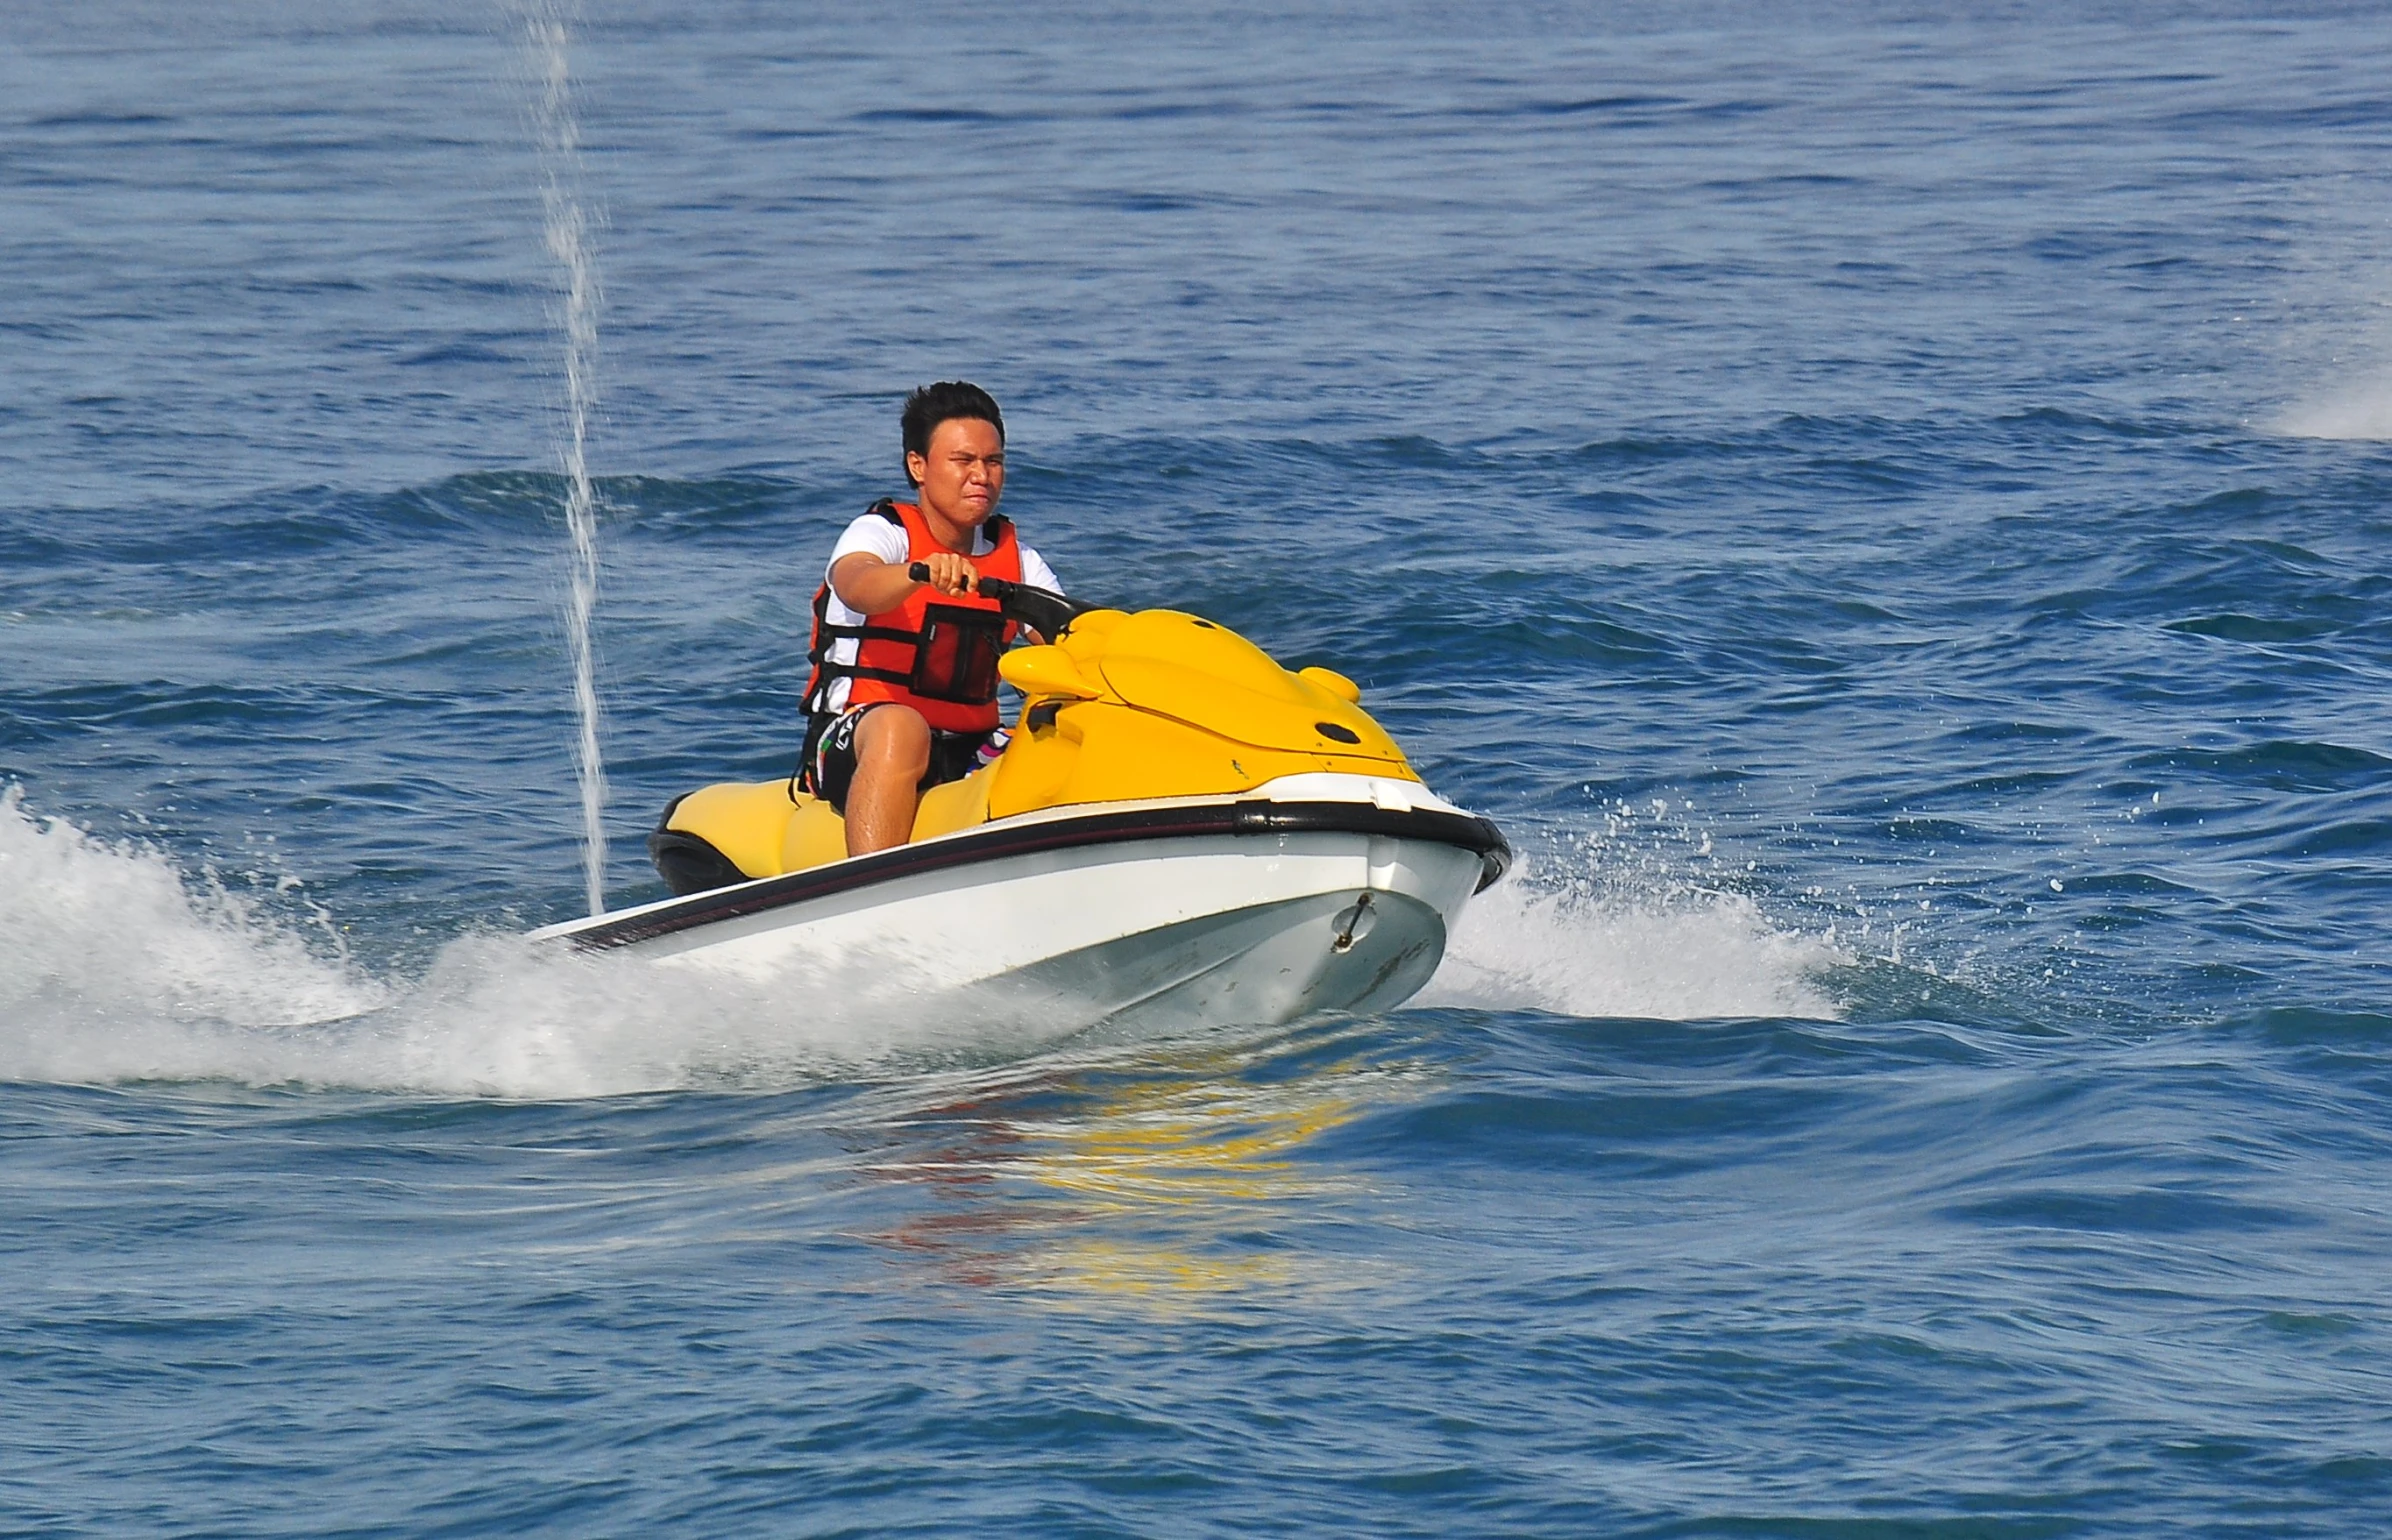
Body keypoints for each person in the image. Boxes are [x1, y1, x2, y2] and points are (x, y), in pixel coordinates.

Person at [798, 382, 1064, 856]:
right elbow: (855, 584)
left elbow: (1065, 640)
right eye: (963, 462)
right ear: (918, 466)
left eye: (993, 461)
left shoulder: (1019, 560)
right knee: (903, 728)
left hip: (970, 748)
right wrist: (917, 574)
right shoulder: (882, 534)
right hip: (856, 742)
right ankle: (871, 889)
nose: (981, 476)